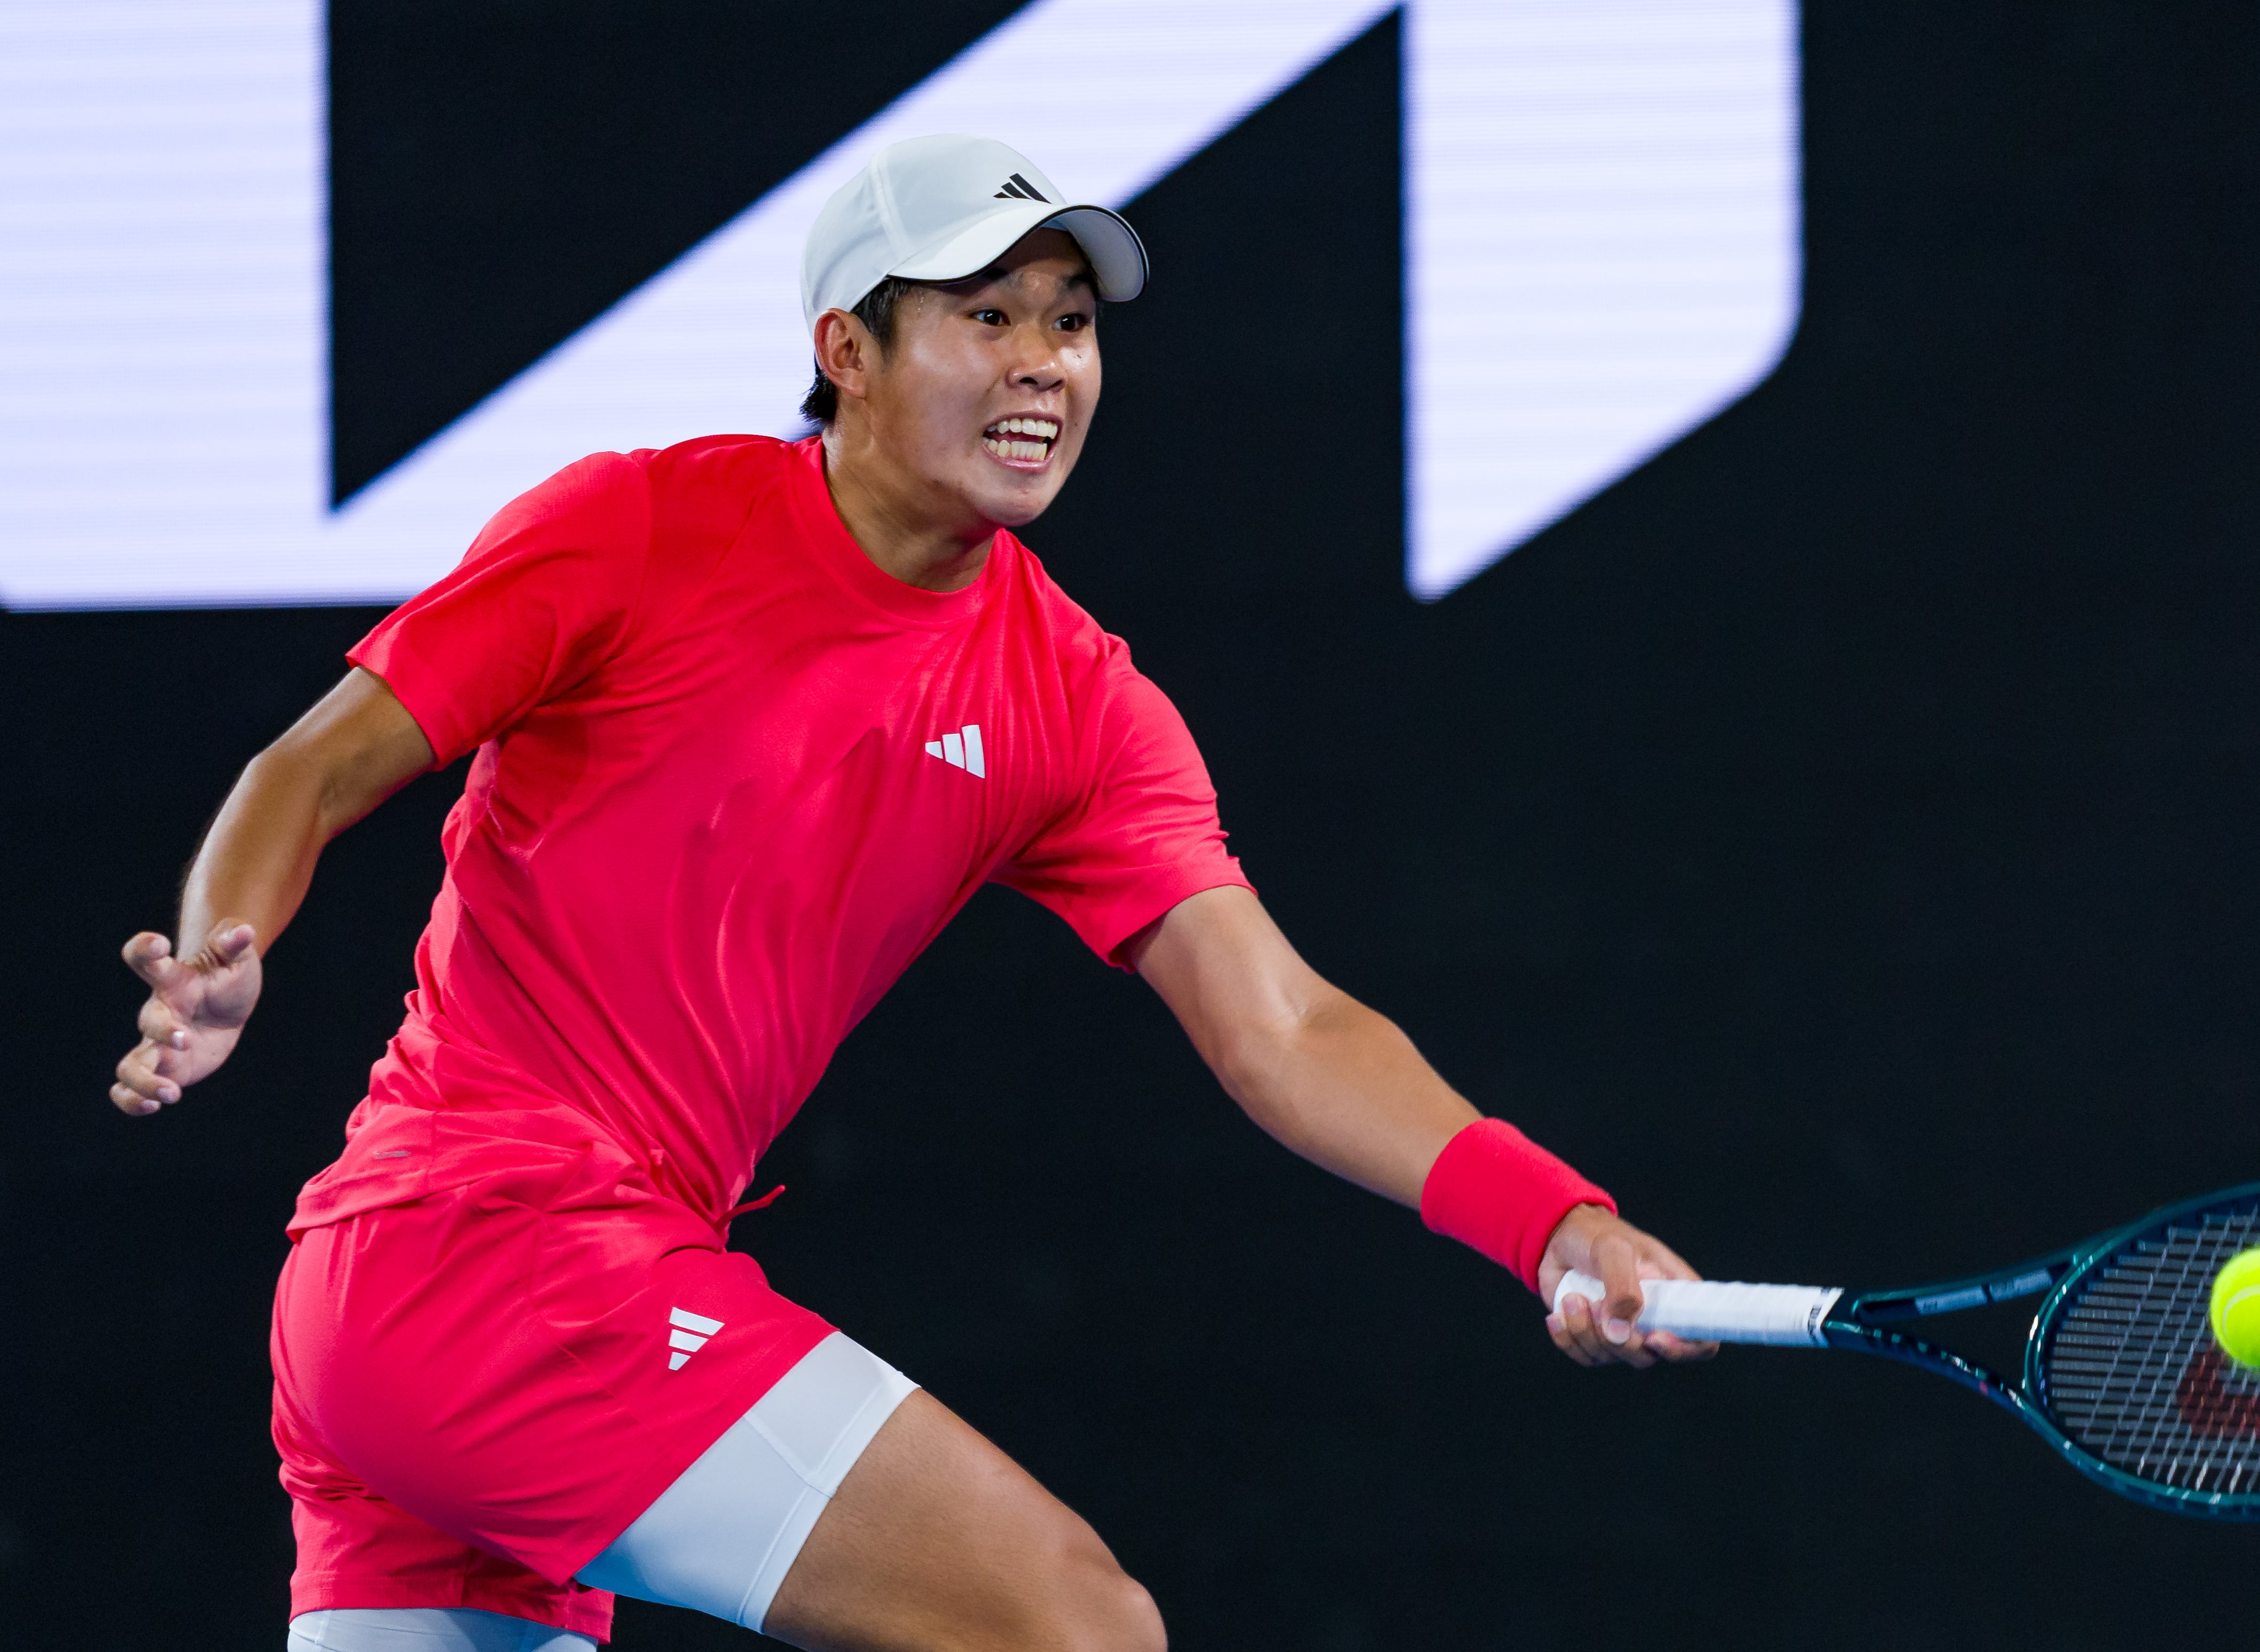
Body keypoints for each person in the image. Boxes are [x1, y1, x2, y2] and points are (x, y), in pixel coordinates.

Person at [109, 134, 1714, 1652]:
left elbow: (1281, 1029)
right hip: (502, 1260)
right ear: (847, 353)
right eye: (989, 314)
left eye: (1074, 323)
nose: (1045, 362)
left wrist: (1552, 1218)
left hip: (406, 1318)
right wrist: (221, 956)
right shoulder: (636, 527)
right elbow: (303, 774)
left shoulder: (1075, 701)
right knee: (1076, 1627)